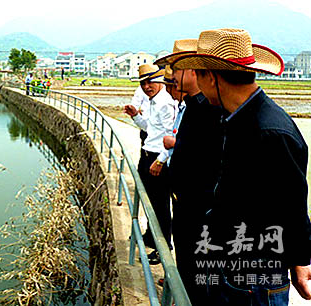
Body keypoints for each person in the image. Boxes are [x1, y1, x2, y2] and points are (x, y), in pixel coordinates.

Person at [172, 28, 311, 305]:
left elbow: (293, 204)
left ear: (211, 77)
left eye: (199, 73)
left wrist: (300, 261)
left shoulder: (270, 132)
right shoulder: (236, 120)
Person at [156, 38, 224, 304]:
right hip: (185, 206)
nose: (171, 76)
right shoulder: (193, 107)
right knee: (187, 267)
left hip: (200, 212)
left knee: (200, 276)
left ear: (192, 71)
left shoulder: (210, 111)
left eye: (175, 67)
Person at [124, 64, 176, 264]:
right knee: (151, 202)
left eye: (150, 81)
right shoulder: (154, 101)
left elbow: (171, 135)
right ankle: (151, 235)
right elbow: (150, 128)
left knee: (160, 205)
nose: (147, 86)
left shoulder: (165, 103)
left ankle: (163, 248)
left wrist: (160, 160)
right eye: (143, 83)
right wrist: (135, 115)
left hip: (156, 159)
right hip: (148, 155)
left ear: (160, 80)